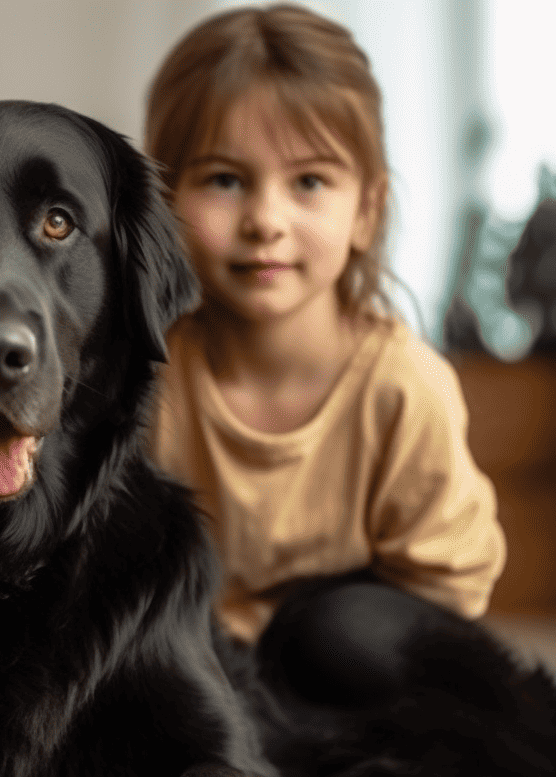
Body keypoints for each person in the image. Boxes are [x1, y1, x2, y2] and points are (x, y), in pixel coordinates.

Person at [144, 3, 505, 706]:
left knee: (345, 629)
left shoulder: (402, 385)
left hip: (347, 664)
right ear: (165, 202)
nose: (265, 222)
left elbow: (446, 595)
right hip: (198, 652)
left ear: (365, 211)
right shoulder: (152, 378)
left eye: (308, 183)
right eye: (225, 180)